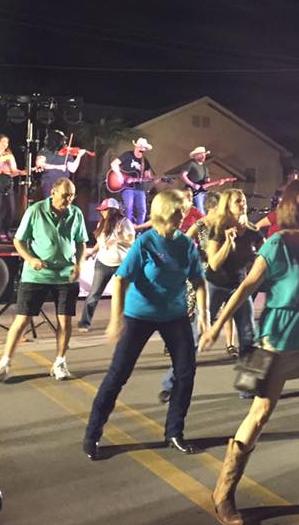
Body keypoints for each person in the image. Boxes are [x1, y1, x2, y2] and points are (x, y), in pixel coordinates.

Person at [199, 178, 299, 525]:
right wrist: (215, 325)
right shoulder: (277, 245)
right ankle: (223, 493)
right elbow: (246, 288)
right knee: (260, 413)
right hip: (277, 340)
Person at [84, 190, 208, 459]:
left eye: (184, 211)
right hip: (139, 315)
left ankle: (174, 433)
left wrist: (205, 316)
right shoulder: (146, 243)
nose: (183, 215)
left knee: (186, 373)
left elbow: (199, 281)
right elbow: (120, 280)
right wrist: (115, 321)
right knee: (118, 376)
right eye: (178, 211)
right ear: (164, 212)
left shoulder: (185, 245)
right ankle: (92, 435)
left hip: (174, 316)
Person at [0, 178, 87, 382]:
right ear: (53, 192)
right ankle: (5, 362)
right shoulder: (35, 211)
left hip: (65, 275)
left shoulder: (76, 213)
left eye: (71, 195)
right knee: (23, 318)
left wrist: (79, 265)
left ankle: (60, 361)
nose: (68, 199)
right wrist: (30, 259)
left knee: (65, 320)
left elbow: (80, 242)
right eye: (64, 195)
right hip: (36, 275)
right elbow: (19, 240)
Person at [158, 191, 223, 404]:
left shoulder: (229, 226)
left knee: (249, 332)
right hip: (203, 280)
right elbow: (183, 244)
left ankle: (255, 383)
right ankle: (171, 381)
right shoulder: (202, 226)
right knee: (192, 332)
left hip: (229, 281)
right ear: (213, 207)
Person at [206, 189, 264, 367]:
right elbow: (214, 264)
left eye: (244, 201)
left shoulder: (253, 232)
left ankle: (249, 386)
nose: (243, 204)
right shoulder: (218, 230)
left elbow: (267, 255)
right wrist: (228, 243)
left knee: (248, 335)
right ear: (228, 206)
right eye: (238, 201)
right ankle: (171, 383)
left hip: (239, 286)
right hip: (215, 285)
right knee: (197, 335)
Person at [77, 198, 135, 333]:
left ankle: (124, 323)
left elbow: (132, 240)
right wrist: (92, 252)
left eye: (104, 210)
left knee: (123, 295)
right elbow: (101, 242)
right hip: (103, 263)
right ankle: (84, 322)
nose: (102, 213)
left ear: (112, 211)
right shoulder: (101, 223)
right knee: (94, 293)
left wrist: (118, 238)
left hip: (121, 264)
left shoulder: (124, 222)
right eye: (101, 210)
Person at [0, 133, 24, 242]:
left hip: (7, 183)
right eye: (3, 142)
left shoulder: (9, 154)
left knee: (11, 208)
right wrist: (3, 159)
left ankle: (7, 231)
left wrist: (22, 172)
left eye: (7, 142)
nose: (5, 144)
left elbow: (13, 171)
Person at [109, 137, 154, 224]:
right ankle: (128, 229)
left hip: (140, 189)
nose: (142, 149)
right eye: (140, 146)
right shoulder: (127, 155)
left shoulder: (145, 161)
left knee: (142, 210)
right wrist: (119, 176)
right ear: (136, 146)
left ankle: (139, 230)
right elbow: (113, 164)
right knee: (129, 208)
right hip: (127, 188)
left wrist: (152, 179)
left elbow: (147, 176)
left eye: (144, 147)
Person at [35, 130, 87, 199]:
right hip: (49, 184)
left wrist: (79, 156)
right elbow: (39, 164)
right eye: (63, 141)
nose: (64, 143)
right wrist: (58, 167)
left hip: (63, 185)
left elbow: (72, 169)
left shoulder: (67, 153)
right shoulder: (44, 151)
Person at [181, 146, 211, 213]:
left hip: (202, 192)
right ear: (195, 156)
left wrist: (216, 183)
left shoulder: (205, 168)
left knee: (204, 209)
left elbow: (207, 181)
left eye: (204, 154)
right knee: (200, 212)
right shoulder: (191, 164)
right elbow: (183, 175)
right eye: (201, 154)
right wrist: (193, 184)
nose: (203, 156)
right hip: (191, 192)